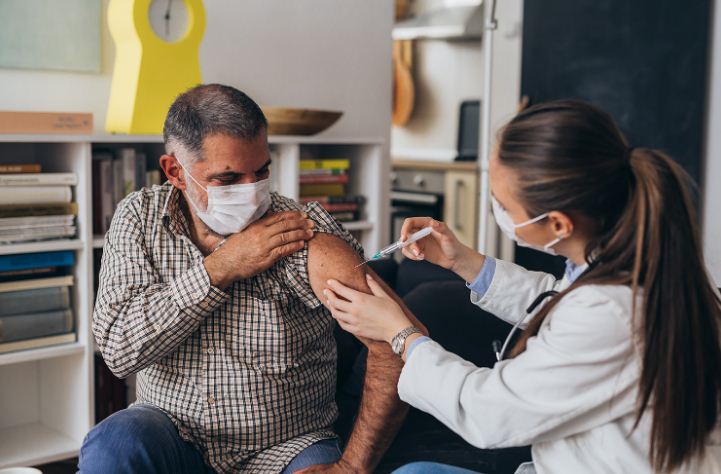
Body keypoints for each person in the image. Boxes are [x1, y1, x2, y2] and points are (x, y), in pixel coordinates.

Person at [323, 100, 721, 473]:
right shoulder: (627, 260)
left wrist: (400, 334)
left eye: (502, 203)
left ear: (559, 224)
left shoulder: (610, 312)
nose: (497, 211)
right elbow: (555, 299)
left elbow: (488, 413)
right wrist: (461, 260)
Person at [80, 84, 424, 473]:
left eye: (261, 172)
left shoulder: (303, 233)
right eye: (227, 179)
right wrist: (222, 267)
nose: (251, 193)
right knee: (114, 443)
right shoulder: (140, 219)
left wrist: (353, 467)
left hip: (285, 446)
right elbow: (119, 351)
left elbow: (399, 342)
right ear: (175, 171)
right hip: (173, 432)